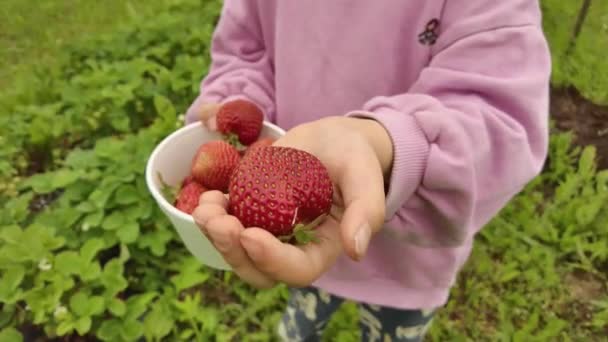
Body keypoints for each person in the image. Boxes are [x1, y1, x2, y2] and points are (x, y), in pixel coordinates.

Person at [185, 1, 551, 340]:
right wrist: (240, 104)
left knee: (392, 325)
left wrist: (391, 144)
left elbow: (499, 117)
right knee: (305, 294)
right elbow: (246, 47)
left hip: (408, 258)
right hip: (304, 227)